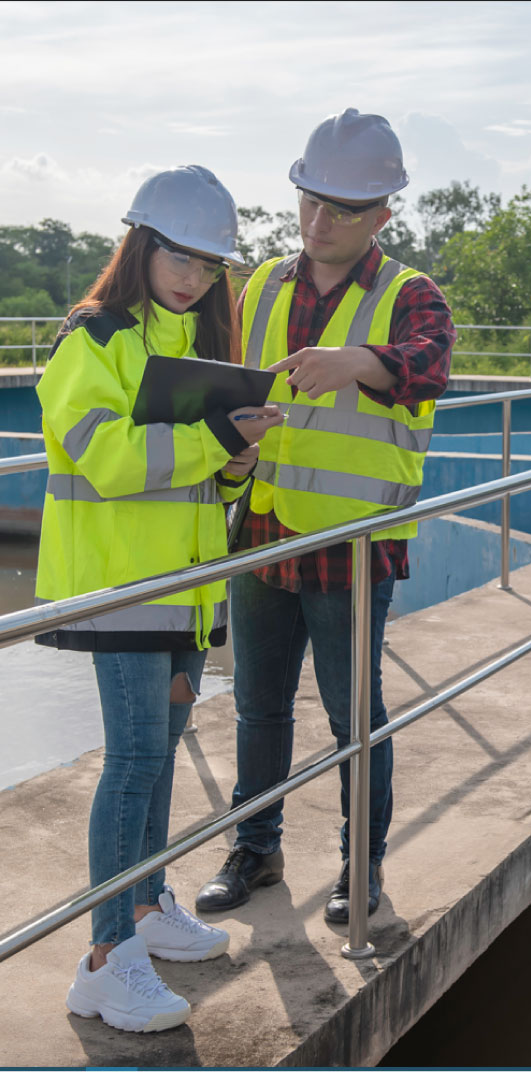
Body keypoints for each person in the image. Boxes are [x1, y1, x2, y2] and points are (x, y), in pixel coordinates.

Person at [34, 165, 282, 1032]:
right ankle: (105, 959)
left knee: (162, 753)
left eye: (211, 265)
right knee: (135, 761)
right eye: (180, 256)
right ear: (142, 243)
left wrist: (234, 463)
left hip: (182, 593)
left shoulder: (181, 345)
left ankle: (144, 908)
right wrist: (212, 437)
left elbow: (189, 486)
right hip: (119, 593)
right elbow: (104, 462)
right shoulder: (92, 336)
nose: (194, 276)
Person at [195, 110, 454, 925]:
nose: (318, 222)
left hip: (351, 539)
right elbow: (222, 377)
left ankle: (359, 868)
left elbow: (432, 366)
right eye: (310, 201)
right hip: (262, 527)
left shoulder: (410, 295)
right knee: (258, 705)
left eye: (341, 208)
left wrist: (364, 362)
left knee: (353, 719)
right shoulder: (262, 284)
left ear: (383, 213)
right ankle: (255, 848)